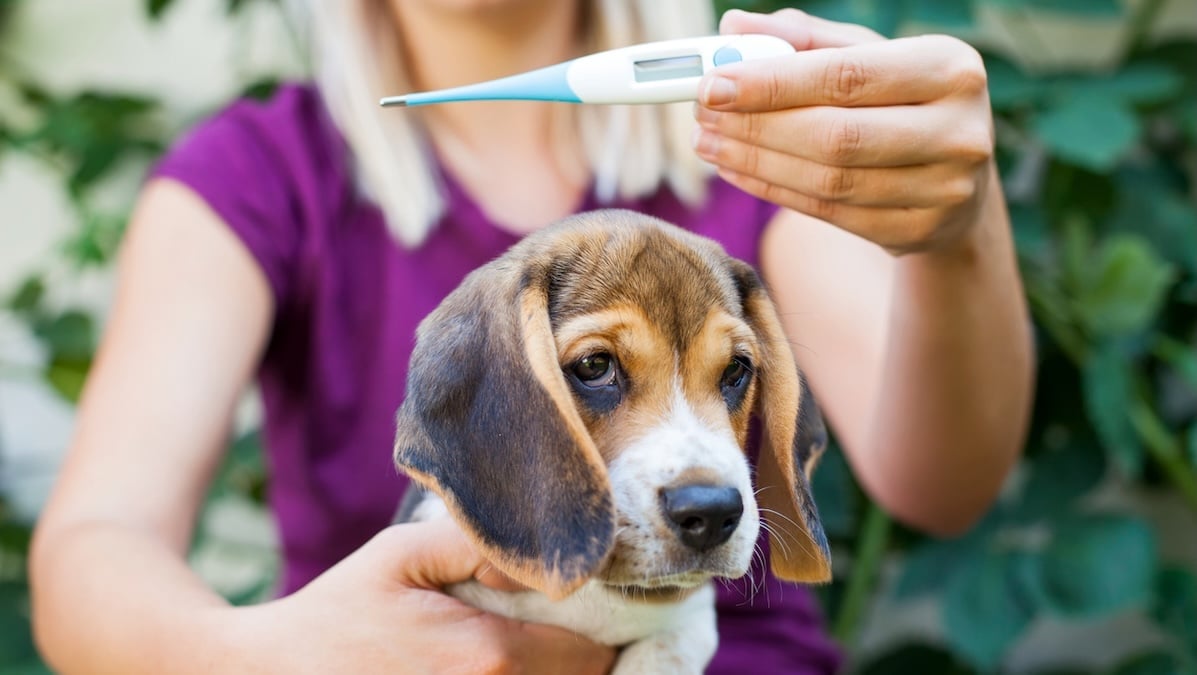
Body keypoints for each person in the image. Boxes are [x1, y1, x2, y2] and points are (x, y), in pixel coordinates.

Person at [30, 0, 1034, 672]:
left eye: (733, 376)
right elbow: (94, 548)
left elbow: (939, 484)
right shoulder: (259, 174)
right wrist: (272, 658)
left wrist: (960, 233)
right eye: (598, 367)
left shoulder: (756, 145)